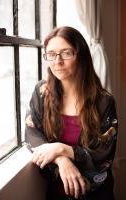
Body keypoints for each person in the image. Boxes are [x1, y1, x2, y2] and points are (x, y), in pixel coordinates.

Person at [25, 26, 118, 200]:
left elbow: (104, 153)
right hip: (56, 192)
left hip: (96, 194)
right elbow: (31, 134)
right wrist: (62, 160)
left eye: (66, 53)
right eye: (51, 54)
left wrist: (62, 148)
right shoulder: (41, 91)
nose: (57, 61)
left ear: (80, 56)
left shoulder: (104, 101)